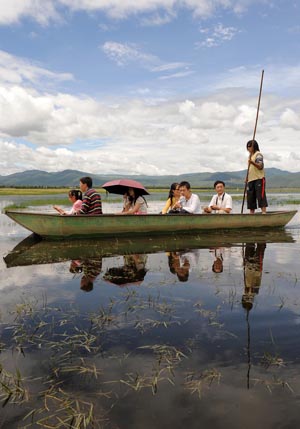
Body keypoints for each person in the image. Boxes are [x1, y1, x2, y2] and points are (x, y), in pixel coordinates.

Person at [242, 242, 266, 310]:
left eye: (246, 298)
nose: (248, 297)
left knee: (249, 246)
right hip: (257, 268)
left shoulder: (245, 289)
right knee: (261, 247)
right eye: (249, 299)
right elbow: (258, 278)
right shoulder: (255, 291)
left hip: (248, 267)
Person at [246, 140, 268, 214]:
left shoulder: (258, 154)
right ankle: (251, 214)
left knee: (260, 196)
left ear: (254, 146)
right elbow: (250, 169)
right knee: (250, 198)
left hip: (259, 179)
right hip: (251, 179)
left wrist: (252, 162)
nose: (248, 148)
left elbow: (260, 166)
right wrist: (247, 177)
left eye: (250, 146)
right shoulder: (250, 156)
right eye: (248, 146)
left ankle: (264, 213)